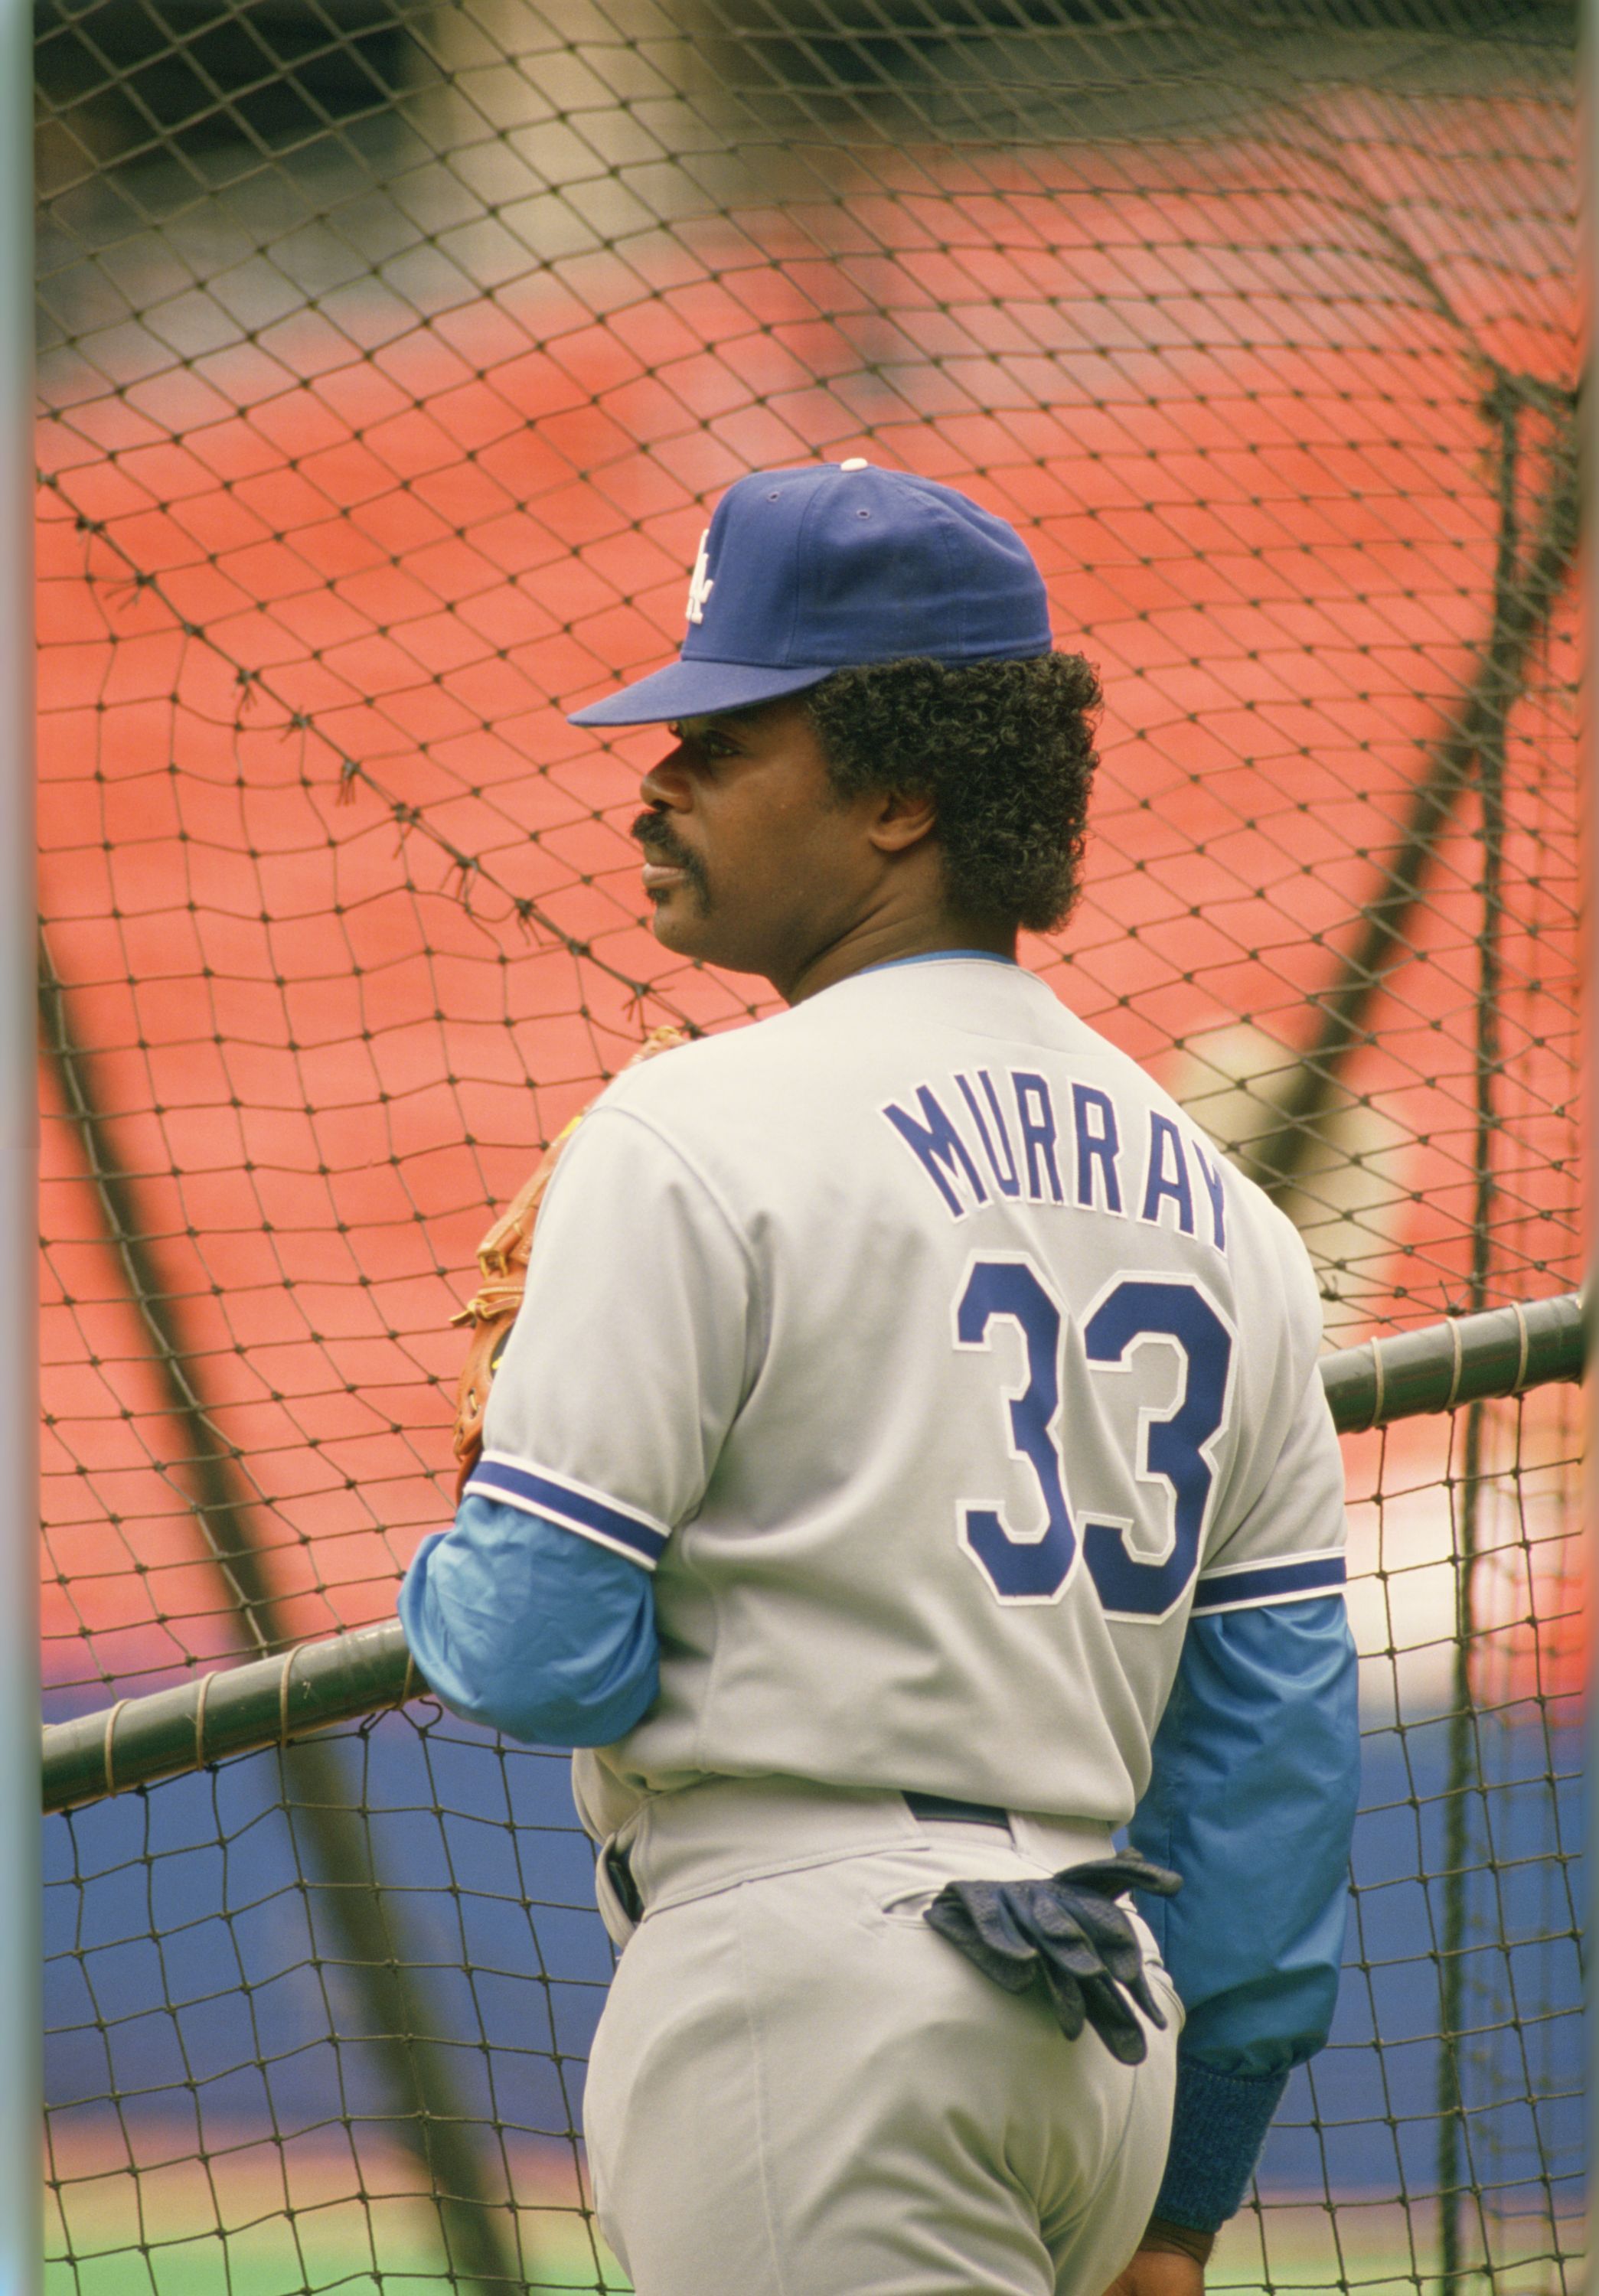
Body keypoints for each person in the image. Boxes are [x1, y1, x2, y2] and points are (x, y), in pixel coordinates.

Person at [399, 461, 1360, 2296]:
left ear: (900, 795)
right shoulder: (1229, 1218)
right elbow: (1271, 1760)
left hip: (808, 1995)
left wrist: (487, 1520)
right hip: (1102, 2034)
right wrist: (1182, 2202)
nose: (654, 780)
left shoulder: (690, 1132)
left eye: (725, 737)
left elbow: (531, 1653)